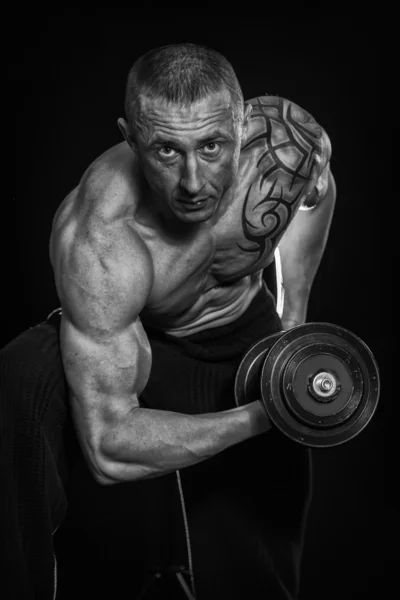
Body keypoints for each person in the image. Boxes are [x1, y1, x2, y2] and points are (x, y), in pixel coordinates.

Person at [1, 43, 336, 599]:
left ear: (242, 122)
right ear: (130, 138)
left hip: (243, 329)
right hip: (146, 341)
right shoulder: (103, 238)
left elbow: (318, 191)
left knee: (261, 559)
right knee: (21, 375)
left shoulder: (282, 141)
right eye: (164, 151)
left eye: (211, 146)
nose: (192, 182)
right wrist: (266, 414)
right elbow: (108, 448)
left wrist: (293, 315)